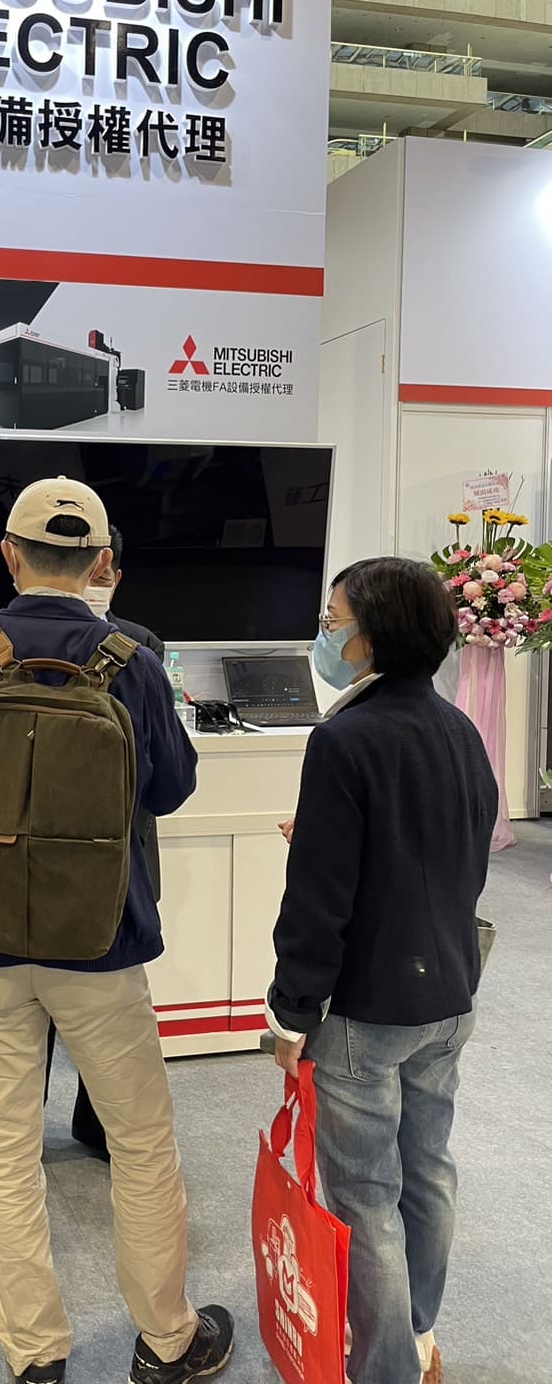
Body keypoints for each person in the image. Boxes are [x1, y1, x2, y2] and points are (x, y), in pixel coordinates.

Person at [0, 477, 234, 1384]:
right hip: (100, 939)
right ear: (100, 561)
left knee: (7, 1144)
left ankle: (34, 1353)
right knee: (140, 1143)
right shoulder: (134, 657)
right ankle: (166, 1339)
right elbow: (170, 787)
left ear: (9, 554)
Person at [266, 558, 497, 1384]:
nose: (325, 634)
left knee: (365, 1193)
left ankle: (385, 1367)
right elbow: (457, 855)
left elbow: (317, 900)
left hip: (364, 1008)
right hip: (449, 990)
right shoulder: (458, 728)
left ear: (370, 635)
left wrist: (290, 1011)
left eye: (333, 620)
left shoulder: (343, 738)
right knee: (427, 1170)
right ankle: (418, 1338)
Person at [46, 523, 166, 1160]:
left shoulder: (141, 644)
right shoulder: (136, 650)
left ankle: (85, 1124)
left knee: (88, 1009)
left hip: (68, 856)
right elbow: (170, 779)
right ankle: (66, 1127)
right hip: (87, 856)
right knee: (83, 1003)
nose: (97, 580)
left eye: (106, 571)